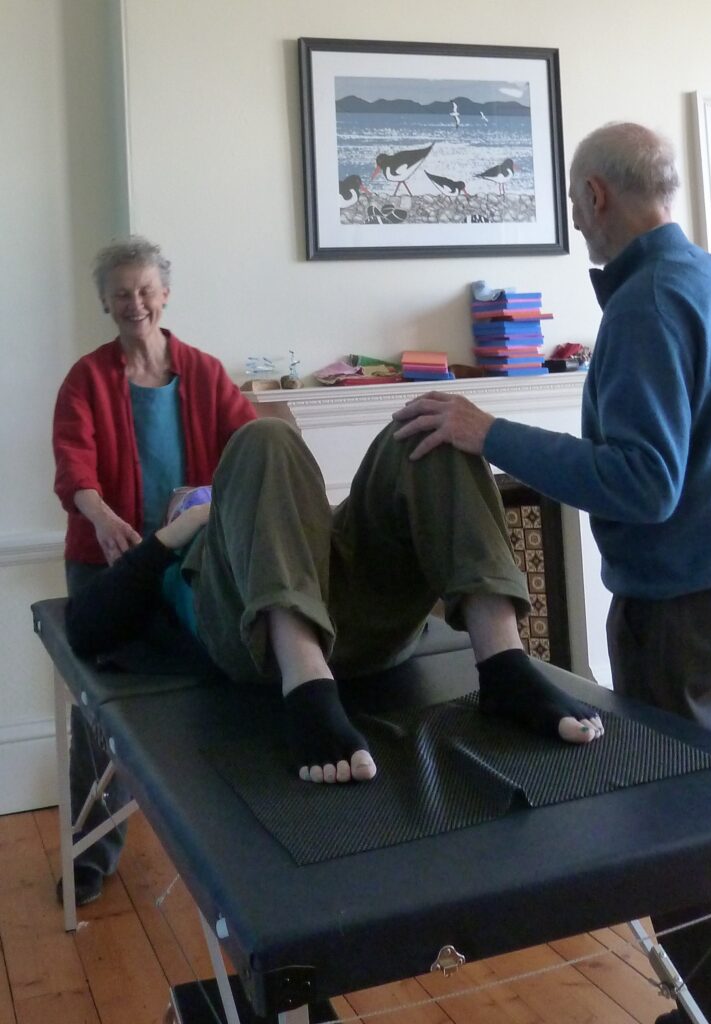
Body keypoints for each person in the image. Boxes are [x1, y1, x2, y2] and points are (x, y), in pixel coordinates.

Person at [392, 122, 711, 1024]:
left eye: (574, 204)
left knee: (678, 839)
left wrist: (487, 432)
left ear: (595, 198)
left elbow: (641, 482)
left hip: (690, 616)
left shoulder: (648, 306)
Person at [64, 416, 605, 789]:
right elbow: (85, 625)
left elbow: (302, 509)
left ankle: (505, 664)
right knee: (264, 437)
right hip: (259, 639)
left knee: (423, 429)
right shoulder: (179, 556)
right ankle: (306, 683)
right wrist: (181, 530)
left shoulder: (291, 505)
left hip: (358, 614)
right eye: (188, 498)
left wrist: (298, 514)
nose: (199, 494)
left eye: (207, 492)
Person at [52, 236, 256, 906]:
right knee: (97, 714)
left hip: (188, 559)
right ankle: (93, 855)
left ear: (164, 294)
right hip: (106, 565)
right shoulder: (86, 378)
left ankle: (224, 837)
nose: (133, 303)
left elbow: (247, 443)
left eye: (144, 290)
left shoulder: (202, 371)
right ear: (105, 303)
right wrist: (102, 514)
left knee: (218, 675)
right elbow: (74, 466)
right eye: (120, 293)